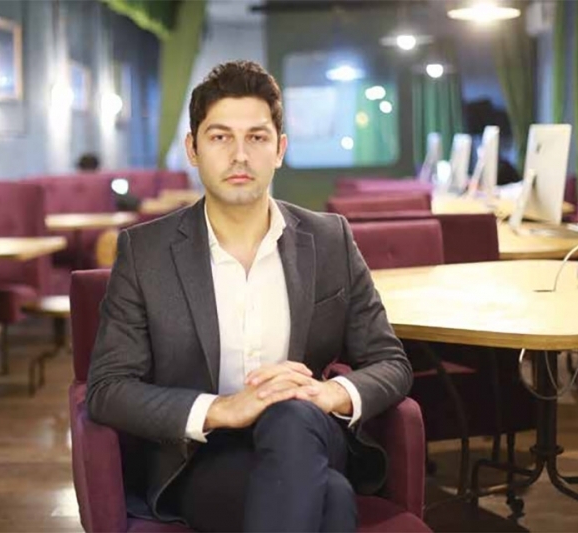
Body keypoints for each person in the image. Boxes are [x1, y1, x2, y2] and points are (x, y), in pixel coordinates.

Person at [86, 60, 412, 532]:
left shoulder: (330, 239)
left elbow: (391, 362)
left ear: (280, 149)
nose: (240, 155)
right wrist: (223, 409)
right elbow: (107, 389)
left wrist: (328, 394)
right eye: (220, 137)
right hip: (203, 453)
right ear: (193, 149)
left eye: (257, 138)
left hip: (312, 432)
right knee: (333, 499)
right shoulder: (145, 252)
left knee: (291, 416)